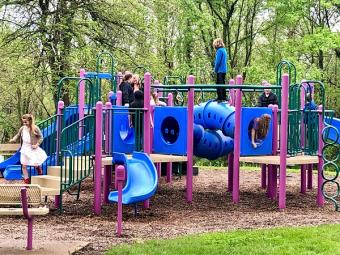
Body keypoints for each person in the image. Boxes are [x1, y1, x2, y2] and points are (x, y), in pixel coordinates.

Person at [10, 114, 47, 184]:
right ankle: (26, 180)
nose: (24, 124)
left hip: (32, 148)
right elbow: (18, 135)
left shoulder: (35, 128)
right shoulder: (22, 128)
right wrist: (13, 139)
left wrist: (37, 144)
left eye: (25, 122)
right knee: (23, 165)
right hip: (24, 148)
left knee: (35, 163)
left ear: (30, 121)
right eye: (23, 122)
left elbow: (41, 137)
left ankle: (39, 169)